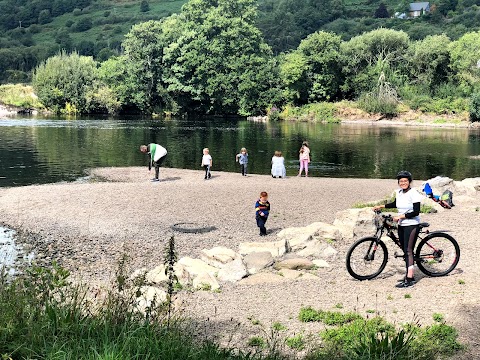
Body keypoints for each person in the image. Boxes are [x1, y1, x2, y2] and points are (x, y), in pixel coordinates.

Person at [373, 171, 423, 288]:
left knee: (408, 251)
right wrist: (381, 206)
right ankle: (409, 271)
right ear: (398, 183)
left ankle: (410, 279)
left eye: (405, 181)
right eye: (401, 181)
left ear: (409, 182)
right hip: (401, 225)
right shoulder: (400, 192)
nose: (403, 183)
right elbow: (396, 203)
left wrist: (400, 216)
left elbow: (416, 211)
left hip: (411, 224)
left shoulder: (414, 193)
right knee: (404, 249)